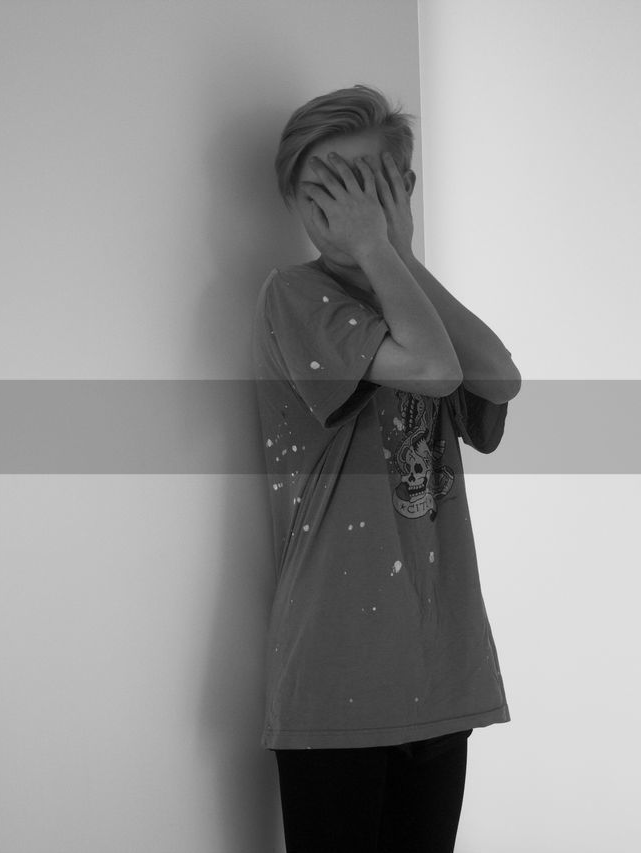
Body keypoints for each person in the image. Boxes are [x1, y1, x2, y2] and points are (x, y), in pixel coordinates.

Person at [251, 84, 521, 853]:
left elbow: (496, 378)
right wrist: (378, 246)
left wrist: (396, 253)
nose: (342, 211)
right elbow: (433, 370)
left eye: (362, 188)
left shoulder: (414, 301)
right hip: (338, 675)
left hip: (442, 668)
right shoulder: (295, 295)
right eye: (321, 190)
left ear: (402, 190)